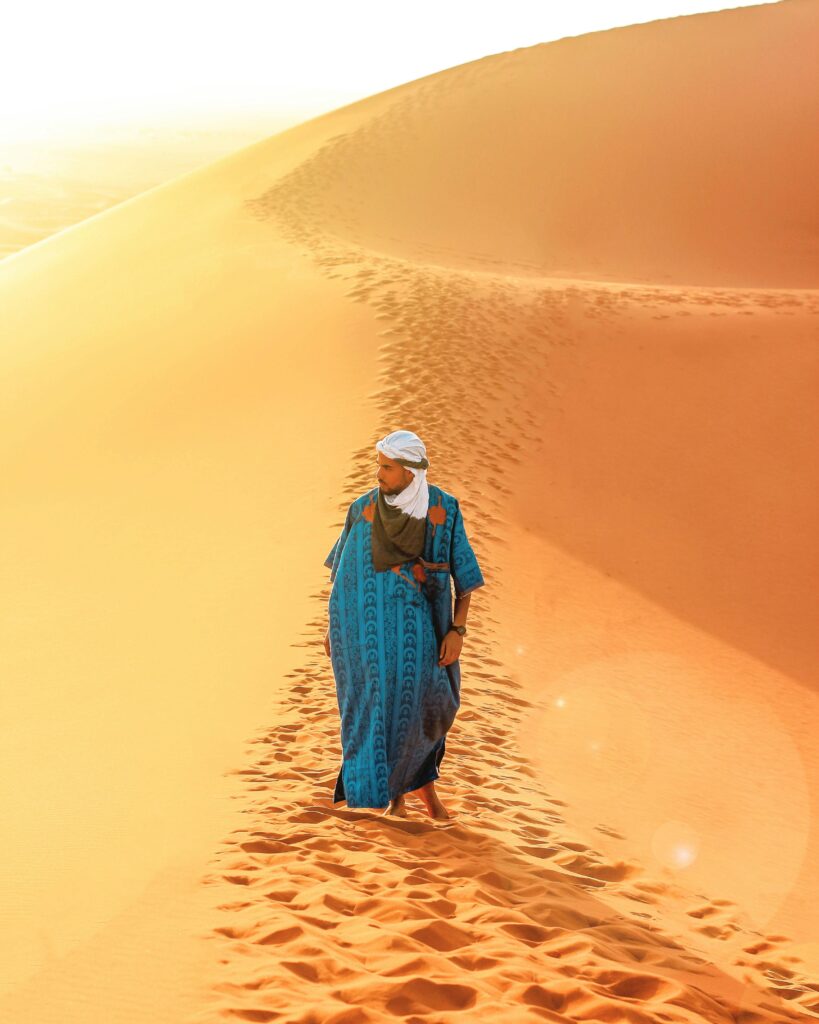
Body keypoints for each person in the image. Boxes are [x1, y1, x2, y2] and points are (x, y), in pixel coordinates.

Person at [322, 429, 485, 818]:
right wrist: (333, 628)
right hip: (367, 635)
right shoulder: (363, 509)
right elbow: (342, 575)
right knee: (378, 713)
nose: (378, 474)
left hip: (423, 636)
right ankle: (399, 802)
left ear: (411, 472)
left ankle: (423, 798)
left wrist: (457, 631)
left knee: (426, 710)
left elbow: (465, 577)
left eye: (387, 468)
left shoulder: (443, 511)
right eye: (378, 465)